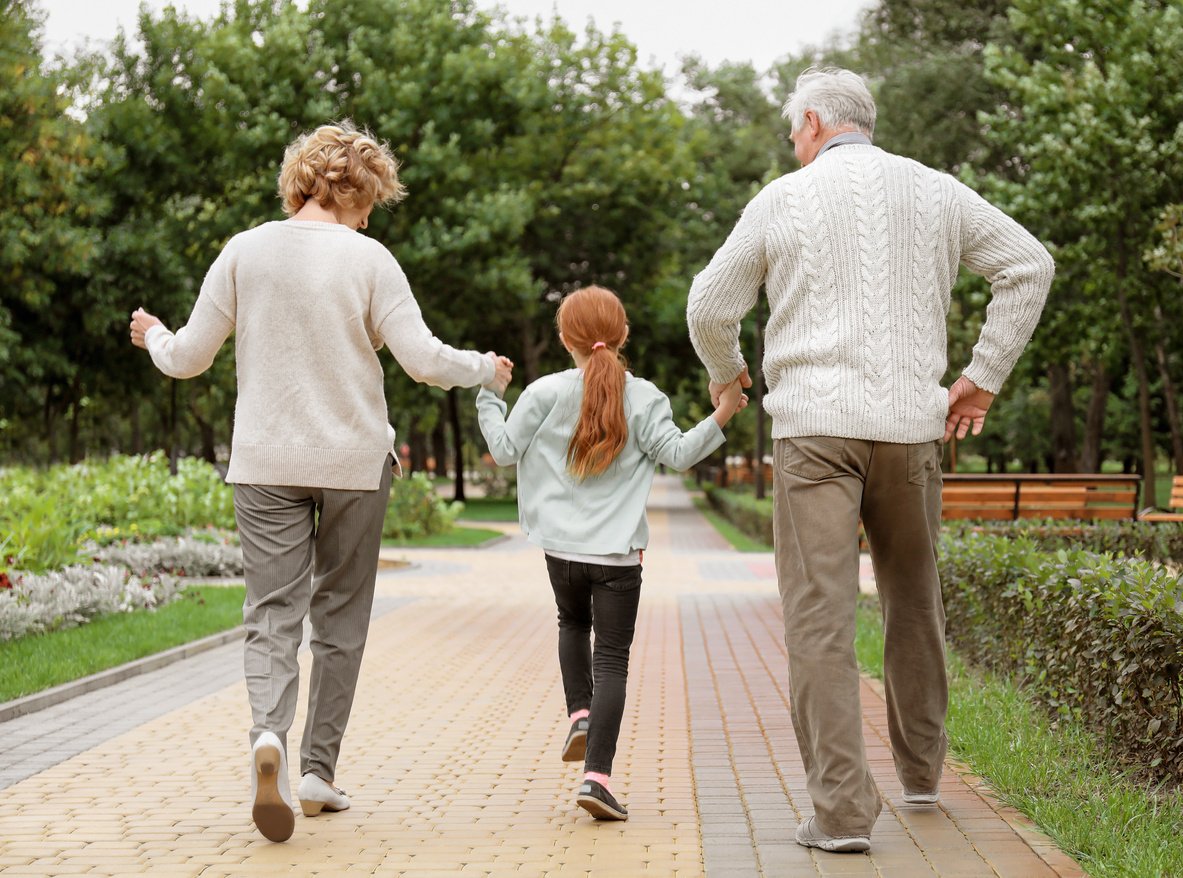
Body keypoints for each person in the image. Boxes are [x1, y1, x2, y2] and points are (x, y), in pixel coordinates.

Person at [687, 68, 1053, 853]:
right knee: (913, 601)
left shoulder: (782, 199)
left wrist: (726, 372)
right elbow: (1030, 267)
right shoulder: (937, 191)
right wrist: (980, 377)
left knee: (819, 617)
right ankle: (922, 774)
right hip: (911, 429)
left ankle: (843, 816)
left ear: (814, 121)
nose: (793, 144)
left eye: (793, 131)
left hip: (813, 433)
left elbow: (709, 305)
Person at [128, 121, 513, 843]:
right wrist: (484, 368)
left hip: (266, 464)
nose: (372, 217)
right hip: (353, 466)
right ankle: (316, 772)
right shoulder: (369, 260)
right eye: (372, 201)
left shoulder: (244, 251)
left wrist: (151, 332)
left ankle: (266, 738)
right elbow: (424, 360)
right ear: (355, 191)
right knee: (339, 620)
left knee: (271, 613)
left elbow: (186, 358)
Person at [477, 285, 745, 821]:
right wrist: (724, 412)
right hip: (618, 558)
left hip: (561, 551)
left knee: (571, 625)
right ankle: (596, 779)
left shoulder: (544, 392)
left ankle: (580, 713)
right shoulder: (645, 396)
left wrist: (489, 394)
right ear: (622, 335)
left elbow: (503, 451)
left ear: (563, 338)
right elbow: (679, 455)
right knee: (613, 661)